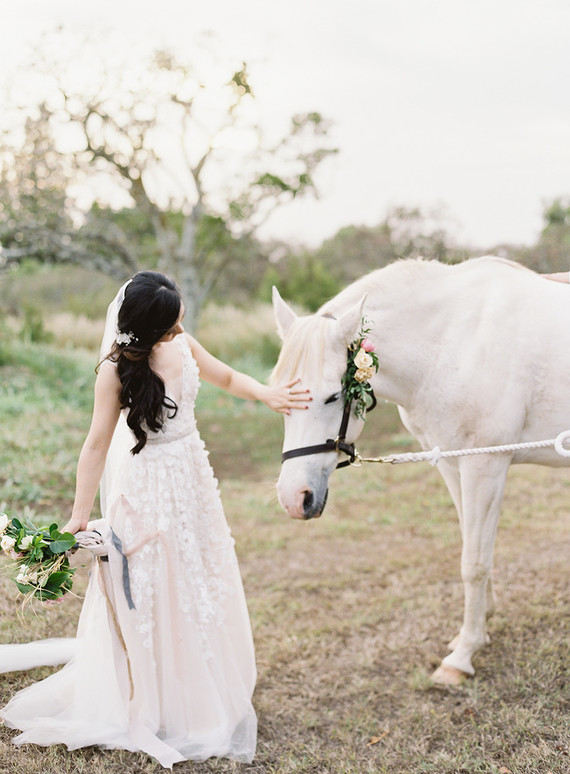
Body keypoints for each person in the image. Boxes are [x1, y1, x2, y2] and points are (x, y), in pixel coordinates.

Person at [0, 271, 310, 768]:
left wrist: (267, 394)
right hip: (146, 488)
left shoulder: (183, 342)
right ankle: (157, 698)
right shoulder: (115, 372)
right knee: (151, 589)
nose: (180, 326)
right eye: (171, 322)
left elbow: (226, 376)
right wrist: (79, 517)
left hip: (192, 477)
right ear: (149, 329)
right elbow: (97, 443)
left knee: (199, 579)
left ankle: (202, 684)